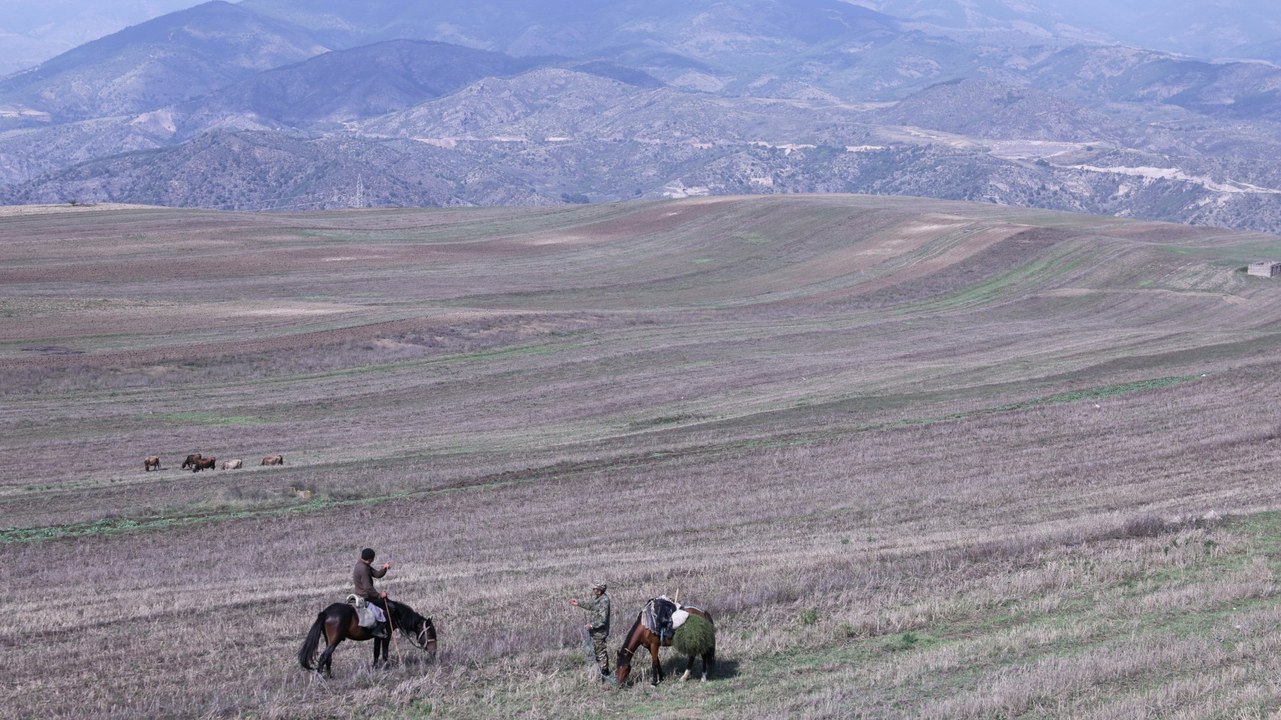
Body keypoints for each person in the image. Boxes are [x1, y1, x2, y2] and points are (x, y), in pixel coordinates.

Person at [569, 581, 611, 680]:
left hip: (600, 632)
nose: (593, 590)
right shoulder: (598, 598)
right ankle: (600, 673)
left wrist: (591, 625)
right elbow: (591, 605)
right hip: (595, 631)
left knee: (600, 653)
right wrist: (578, 603)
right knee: (597, 652)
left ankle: (605, 674)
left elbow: (603, 619)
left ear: (600, 590)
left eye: (595, 588)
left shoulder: (604, 601)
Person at [353, 547, 392, 638]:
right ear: (371, 559)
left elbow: (376, 574)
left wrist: (384, 568)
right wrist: (379, 595)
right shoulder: (364, 568)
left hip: (359, 594)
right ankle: (376, 630)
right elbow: (368, 588)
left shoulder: (361, 564)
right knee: (382, 614)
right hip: (365, 597)